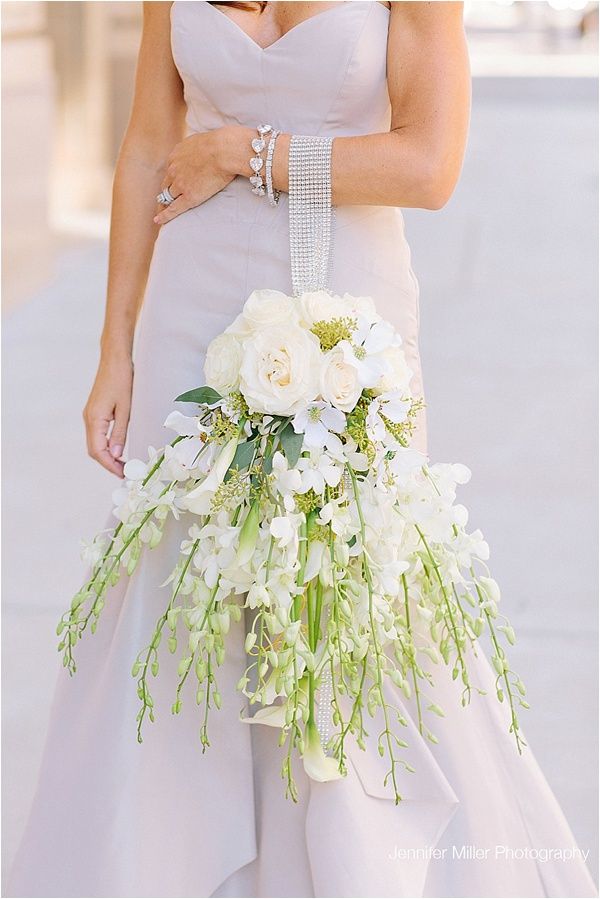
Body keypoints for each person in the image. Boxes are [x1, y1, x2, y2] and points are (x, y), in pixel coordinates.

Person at [7, 3, 597, 897]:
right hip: (192, 312)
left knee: (347, 597)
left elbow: (429, 164)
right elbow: (144, 147)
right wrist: (115, 347)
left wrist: (248, 152)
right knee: (180, 592)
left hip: (347, 315)